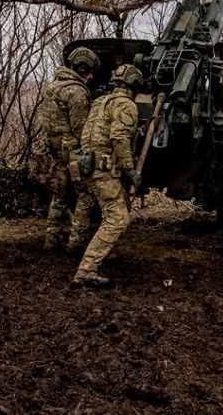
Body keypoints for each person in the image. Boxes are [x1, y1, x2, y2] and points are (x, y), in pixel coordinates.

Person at [70, 64, 143, 287]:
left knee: (120, 206)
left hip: (86, 166)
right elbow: (119, 138)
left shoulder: (100, 101)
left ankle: (102, 252)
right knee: (117, 218)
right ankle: (86, 270)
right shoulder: (126, 105)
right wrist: (130, 170)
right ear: (134, 85)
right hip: (103, 170)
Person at [38, 46, 99, 251]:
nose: (91, 77)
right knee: (86, 194)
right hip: (72, 152)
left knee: (60, 193)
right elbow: (81, 130)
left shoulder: (53, 86)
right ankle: (77, 241)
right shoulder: (78, 92)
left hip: (55, 150)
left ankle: (52, 238)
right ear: (84, 69)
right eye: (90, 72)